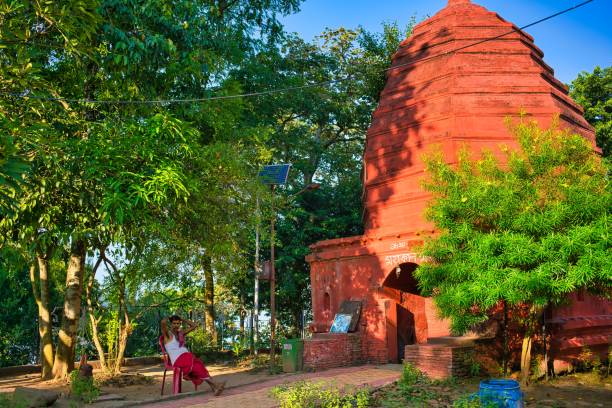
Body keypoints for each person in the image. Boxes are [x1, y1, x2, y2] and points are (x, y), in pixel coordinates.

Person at [161, 315, 225, 395]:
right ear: (171, 324)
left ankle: (214, 387)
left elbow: (194, 325)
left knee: (198, 366)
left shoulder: (181, 333)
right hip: (178, 360)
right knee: (193, 361)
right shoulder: (167, 335)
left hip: (186, 358)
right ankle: (215, 385)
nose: (176, 326)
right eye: (174, 323)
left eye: (178, 323)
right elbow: (163, 322)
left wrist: (183, 318)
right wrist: (168, 317)